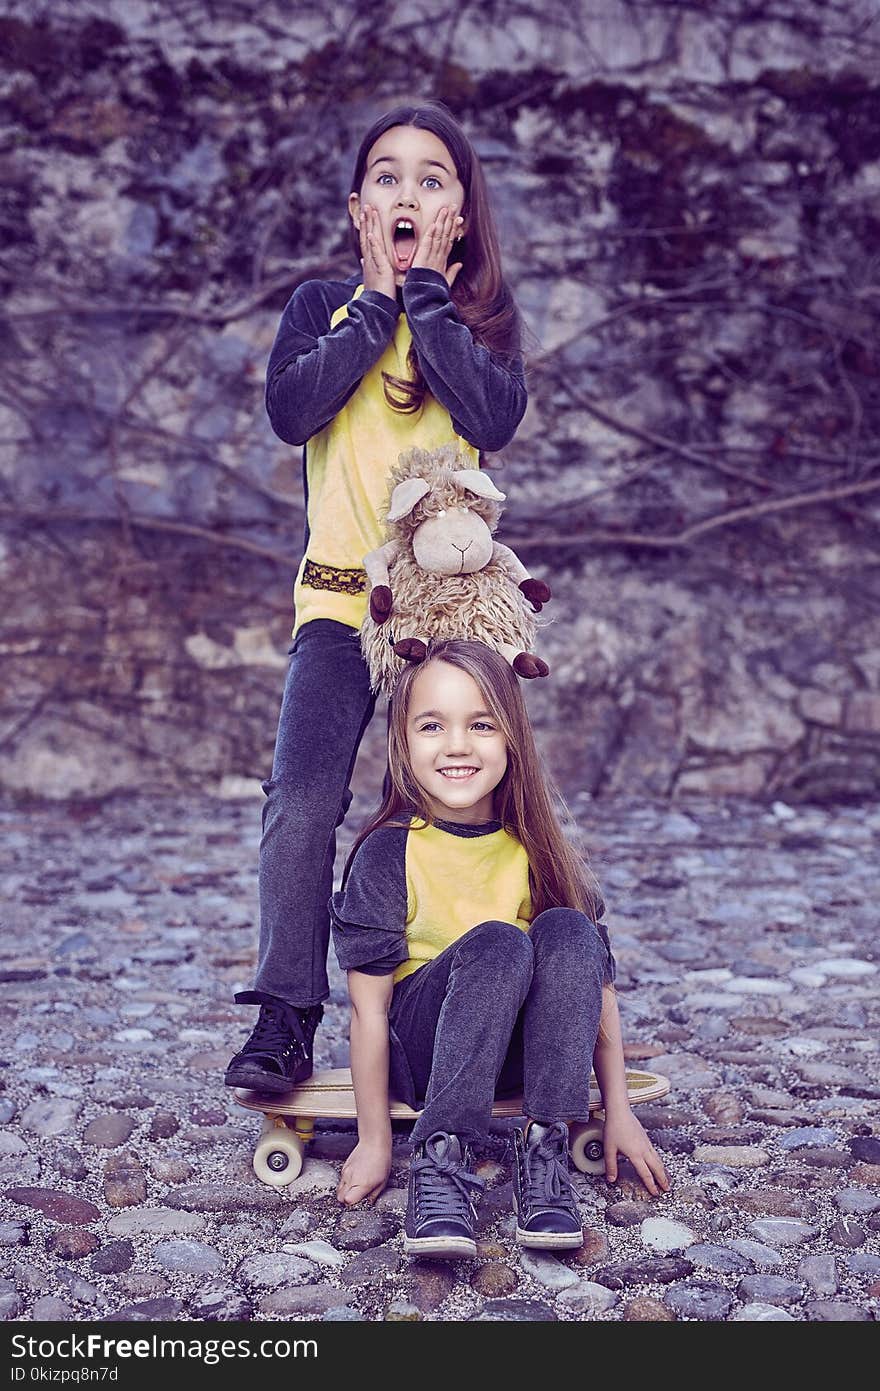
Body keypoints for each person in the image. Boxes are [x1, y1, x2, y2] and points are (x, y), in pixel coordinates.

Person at [224, 102, 528, 1092]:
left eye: (432, 178)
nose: (409, 192)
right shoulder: (321, 307)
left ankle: (480, 1002)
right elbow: (292, 408)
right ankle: (283, 1014)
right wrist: (374, 298)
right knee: (302, 802)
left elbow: (490, 412)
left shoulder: (477, 323)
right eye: (388, 177)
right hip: (337, 604)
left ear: (461, 212)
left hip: (442, 621)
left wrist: (429, 296)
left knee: (462, 799)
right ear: (361, 209)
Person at [331, 640, 670, 1259]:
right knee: (497, 944)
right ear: (403, 741)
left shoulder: (533, 847)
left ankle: (544, 1147)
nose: (457, 745)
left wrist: (617, 1110)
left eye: (481, 724)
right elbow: (367, 1013)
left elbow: (595, 994)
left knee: (568, 929)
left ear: (510, 737)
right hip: (426, 1055)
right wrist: (375, 1138)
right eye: (433, 725)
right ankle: (439, 1160)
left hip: (514, 1052)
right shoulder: (389, 852)